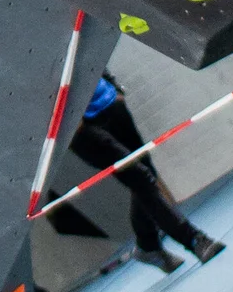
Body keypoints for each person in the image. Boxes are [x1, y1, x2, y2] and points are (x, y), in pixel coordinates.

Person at [65, 75, 224, 274]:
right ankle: (195, 240)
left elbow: (91, 49)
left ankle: (147, 245)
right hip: (80, 130)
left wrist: (114, 87)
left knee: (145, 175)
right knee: (140, 178)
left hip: (109, 102)